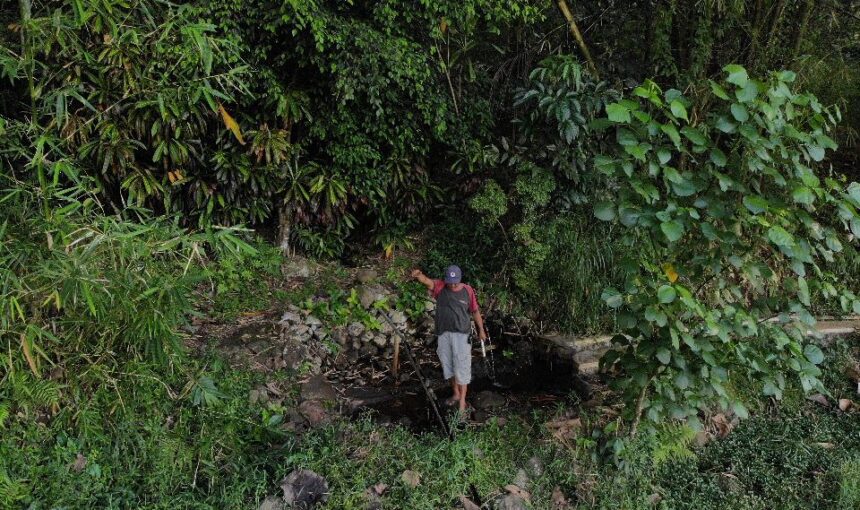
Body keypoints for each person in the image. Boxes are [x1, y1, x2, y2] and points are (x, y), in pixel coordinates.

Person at [411, 265, 486, 413]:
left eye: (455, 282)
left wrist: (481, 330)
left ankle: (463, 402)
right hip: (443, 334)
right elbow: (427, 281)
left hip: (462, 335)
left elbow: (475, 311)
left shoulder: (467, 290)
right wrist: (419, 275)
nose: (452, 284)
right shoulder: (440, 286)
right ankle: (456, 394)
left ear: (460, 279)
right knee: (449, 366)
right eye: (450, 281)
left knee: (462, 368)